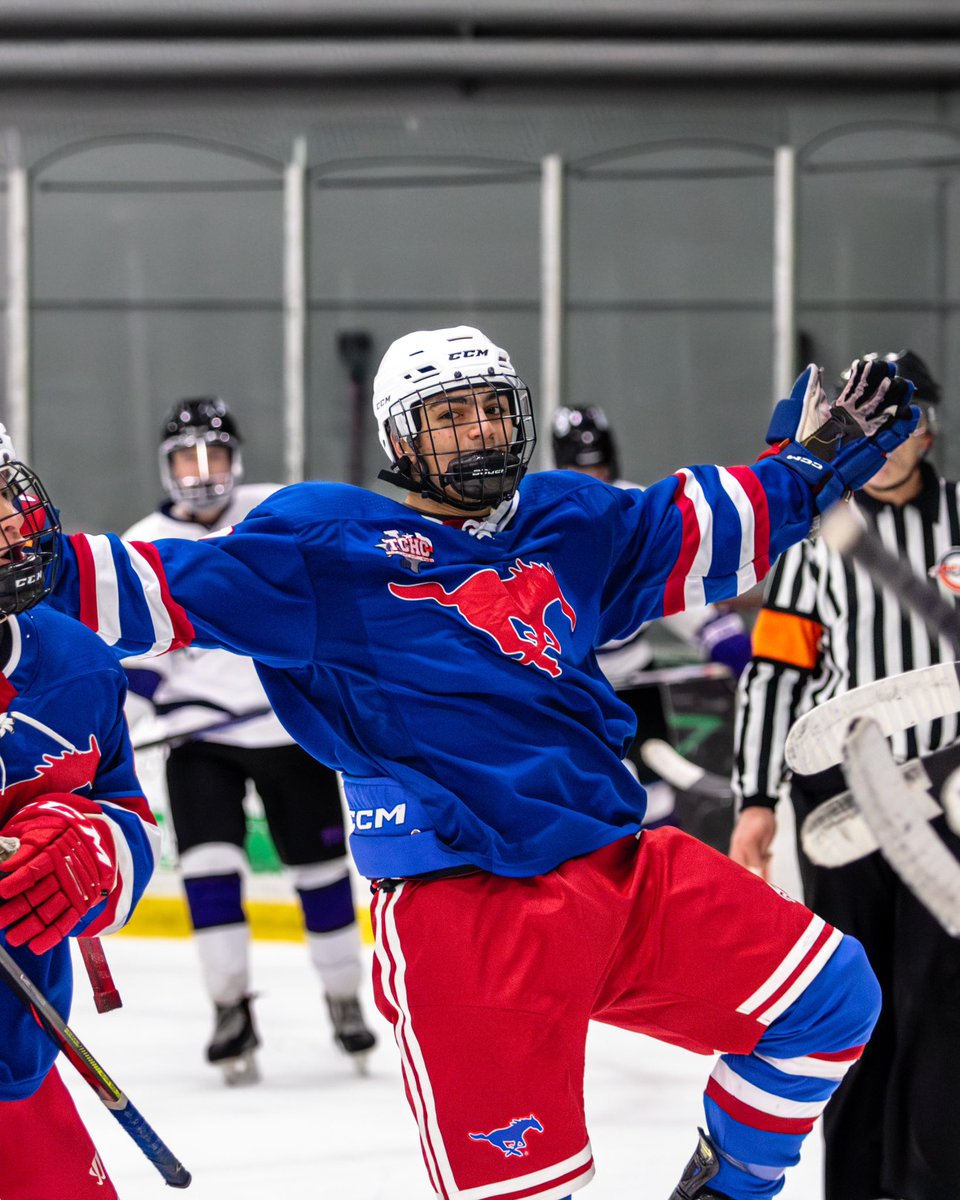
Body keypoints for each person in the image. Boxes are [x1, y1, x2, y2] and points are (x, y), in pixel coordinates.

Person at [45, 326, 918, 1200]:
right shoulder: (327, 545)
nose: (479, 433)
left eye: (493, 410)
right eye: (450, 416)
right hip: (466, 913)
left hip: (622, 870)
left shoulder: (568, 520)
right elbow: (151, 584)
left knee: (830, 1001)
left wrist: (804, 468)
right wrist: (32, 560)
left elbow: (694, 522)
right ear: (400, 439)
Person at [730, 350, 958, 1200]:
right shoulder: (819, 535)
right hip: (844, 803)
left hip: (948, 798)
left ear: (928, 429)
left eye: (907, 422)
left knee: (943, 1005)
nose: (895, 441)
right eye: (882, 425)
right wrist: (756, 798)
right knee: (858, 1005)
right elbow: (778, 674)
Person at [122, 396, 375, 1082]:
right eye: (187, 457)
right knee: (208, 874)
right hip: (198, 739)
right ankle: (230, 1008)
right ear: (164, 466)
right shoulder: (143, 542)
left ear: (238, 461)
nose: (202, 473)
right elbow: (142, 673)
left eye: (216, 455)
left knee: (321, 875)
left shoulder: (275, 517)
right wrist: (109, 748)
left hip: (288, 729)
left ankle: (344, 996)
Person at [0, 428, 158, 1200]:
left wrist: (98, 848)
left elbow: (127, 815)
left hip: (20, 1058)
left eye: (3, 493)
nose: (4, 521)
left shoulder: (74, 659)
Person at [551, 406, 751, 833]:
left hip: (635, 680)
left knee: (658, 799)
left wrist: (723, 640)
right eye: (578, 469)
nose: (594, 481)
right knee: (577, 801)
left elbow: (672, 580)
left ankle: (661, 890)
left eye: (600, 468)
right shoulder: (538, 518)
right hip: (569, 687)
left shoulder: (633, 508)